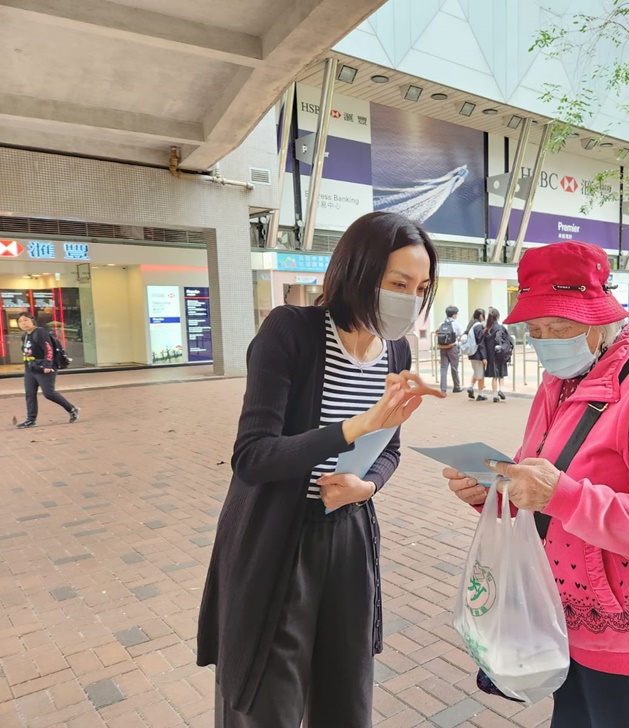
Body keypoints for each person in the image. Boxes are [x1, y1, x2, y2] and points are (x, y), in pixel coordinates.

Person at [197, 212, 445, 727]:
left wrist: (366, 485)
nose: (410, 297)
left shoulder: (395, 348)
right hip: (277, 539)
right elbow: (253, 457)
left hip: (349, 539)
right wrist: (355, 426)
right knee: (269, 699)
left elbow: (390, 448)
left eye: (421, 287)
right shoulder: (292, 331)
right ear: (359, 270)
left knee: (345, 697)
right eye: (398, 283)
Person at [444, 241, 629, 728]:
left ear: (598, 320)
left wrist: (560, 494)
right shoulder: (555, 384)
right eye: (536, 330)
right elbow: (539, 479)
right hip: (561, 618)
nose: (545, 341)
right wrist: (495, 494)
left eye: (558, 326)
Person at [15, 313, 78, 428]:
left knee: (49, 393)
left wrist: (47, 365)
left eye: (25, 320)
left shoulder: (40, 332)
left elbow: (48, 349)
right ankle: (31, 419)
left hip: (45, 368)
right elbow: (27, 351)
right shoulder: (24, 336)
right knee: (30, 394)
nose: (23, 323)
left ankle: (72, 409)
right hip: (31, 368)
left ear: (32, 321)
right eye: (20, 322)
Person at [483, 306, 511, 403]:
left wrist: (485, 357)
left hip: (491, 356)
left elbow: (483, 345)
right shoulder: (501, 328)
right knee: (501, 375)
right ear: (498, 317)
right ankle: (501, 390)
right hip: (501, 354)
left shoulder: (486, 330)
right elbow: (508, 340)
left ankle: (495, 395)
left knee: (494, 376)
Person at [437, 305, 464, 394]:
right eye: (456, 314)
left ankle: (443, 389)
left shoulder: (441, 323)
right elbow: (461, 336)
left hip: (443, 348)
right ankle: (456, 386)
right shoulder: (456, 324)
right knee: (454, 368)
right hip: (452, 347)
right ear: (453, 315)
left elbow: (438, 333)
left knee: (443, 368)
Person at [463, 308, 487, 401]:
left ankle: (471, 386)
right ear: (481, 315)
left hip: (472, 353)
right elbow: (481, 343)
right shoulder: (479, 326)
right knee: (480, 374)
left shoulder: (471, 325)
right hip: (478, 354)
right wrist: (484, 356)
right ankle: (480, 394)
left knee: (477, 371)